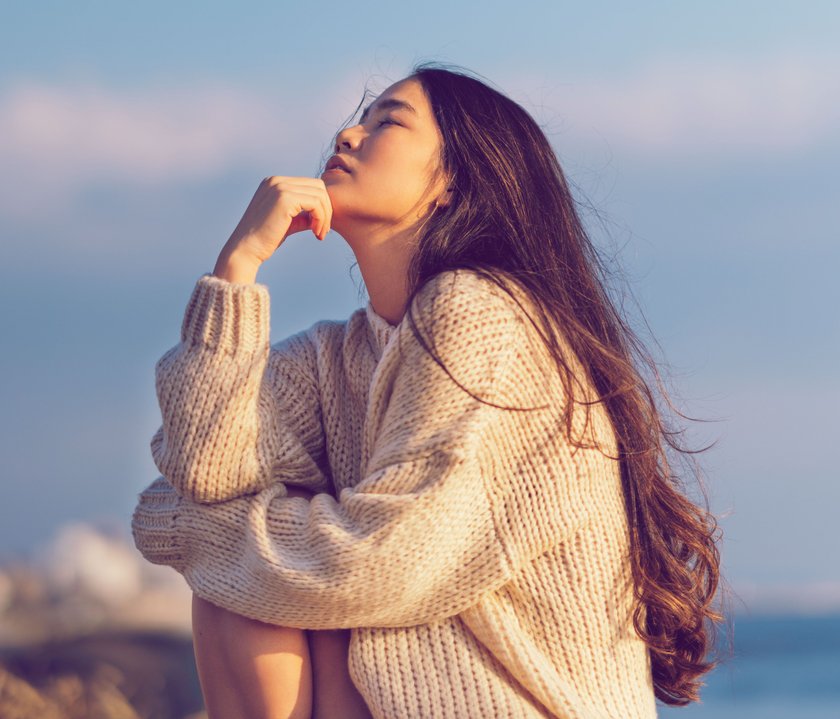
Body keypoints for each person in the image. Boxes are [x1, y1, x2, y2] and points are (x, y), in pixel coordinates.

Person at [131, 63, 724, 719]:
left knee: (248, 568)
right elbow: (202, 472)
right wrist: (237, 269)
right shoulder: (336, 357)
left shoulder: (483, 315)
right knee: (244, 572)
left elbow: (380, 563)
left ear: (452, 183)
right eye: (358, 121)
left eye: (388, 123)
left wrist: (200, 533)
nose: (347, 135)